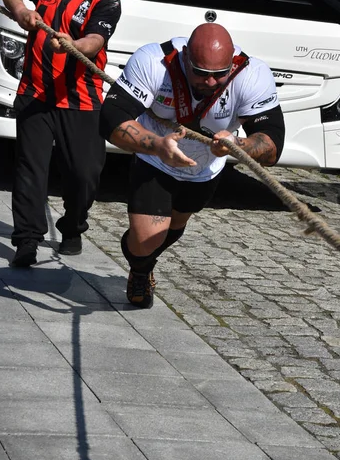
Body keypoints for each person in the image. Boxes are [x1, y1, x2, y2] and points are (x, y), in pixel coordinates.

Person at [99, 23, 285, 309]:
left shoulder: (251, 74)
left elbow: (273, 143)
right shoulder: (154, 61)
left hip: (205, 168)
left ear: (232, 63)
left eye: (219, 75)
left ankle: (146, 261)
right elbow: (110, 119)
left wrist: (240, 145)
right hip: (156, 157)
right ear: (185, 57)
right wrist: (157, 146)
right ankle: (140, 269)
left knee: (174, 225)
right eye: (200, 73)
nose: (210, 82)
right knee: (146, 238)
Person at [0, 0, 121, 267]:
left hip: (80, 99)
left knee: (85, 174)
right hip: (35, 93)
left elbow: (94, 41)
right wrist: (22, 13)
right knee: (29, 169)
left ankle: (72, 226)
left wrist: (72, 45)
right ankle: (26, 240)